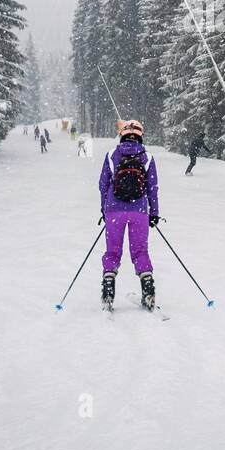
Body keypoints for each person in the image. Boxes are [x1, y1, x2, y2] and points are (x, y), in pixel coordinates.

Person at [98, 119, 160, 309]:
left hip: (114, 211)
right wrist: (154, 213)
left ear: (122, 133)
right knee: (140, 251)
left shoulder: (111, 155)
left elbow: (103, 185)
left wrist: (105, 209)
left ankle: (108, 289)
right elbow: (152, 187)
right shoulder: (147, 157)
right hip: (139, 211)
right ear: (140, 134)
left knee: (113, 251)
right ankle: (148, 288)